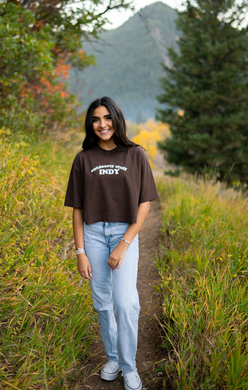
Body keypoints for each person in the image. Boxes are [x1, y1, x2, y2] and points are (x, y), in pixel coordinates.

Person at [64, 96, 158, 390]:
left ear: (116, 119)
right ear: (90, 124)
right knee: (103, 303)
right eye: (95, 119)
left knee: (126, 302)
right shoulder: (83, 159)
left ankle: (130, 367)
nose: (101, 124)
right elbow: (78, 209)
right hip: (92, 234)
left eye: (106, 118)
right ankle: (114, 358)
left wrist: (124, 243)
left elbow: (144, 203)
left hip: (123, 233)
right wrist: (80, 251)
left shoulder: (136, 155)